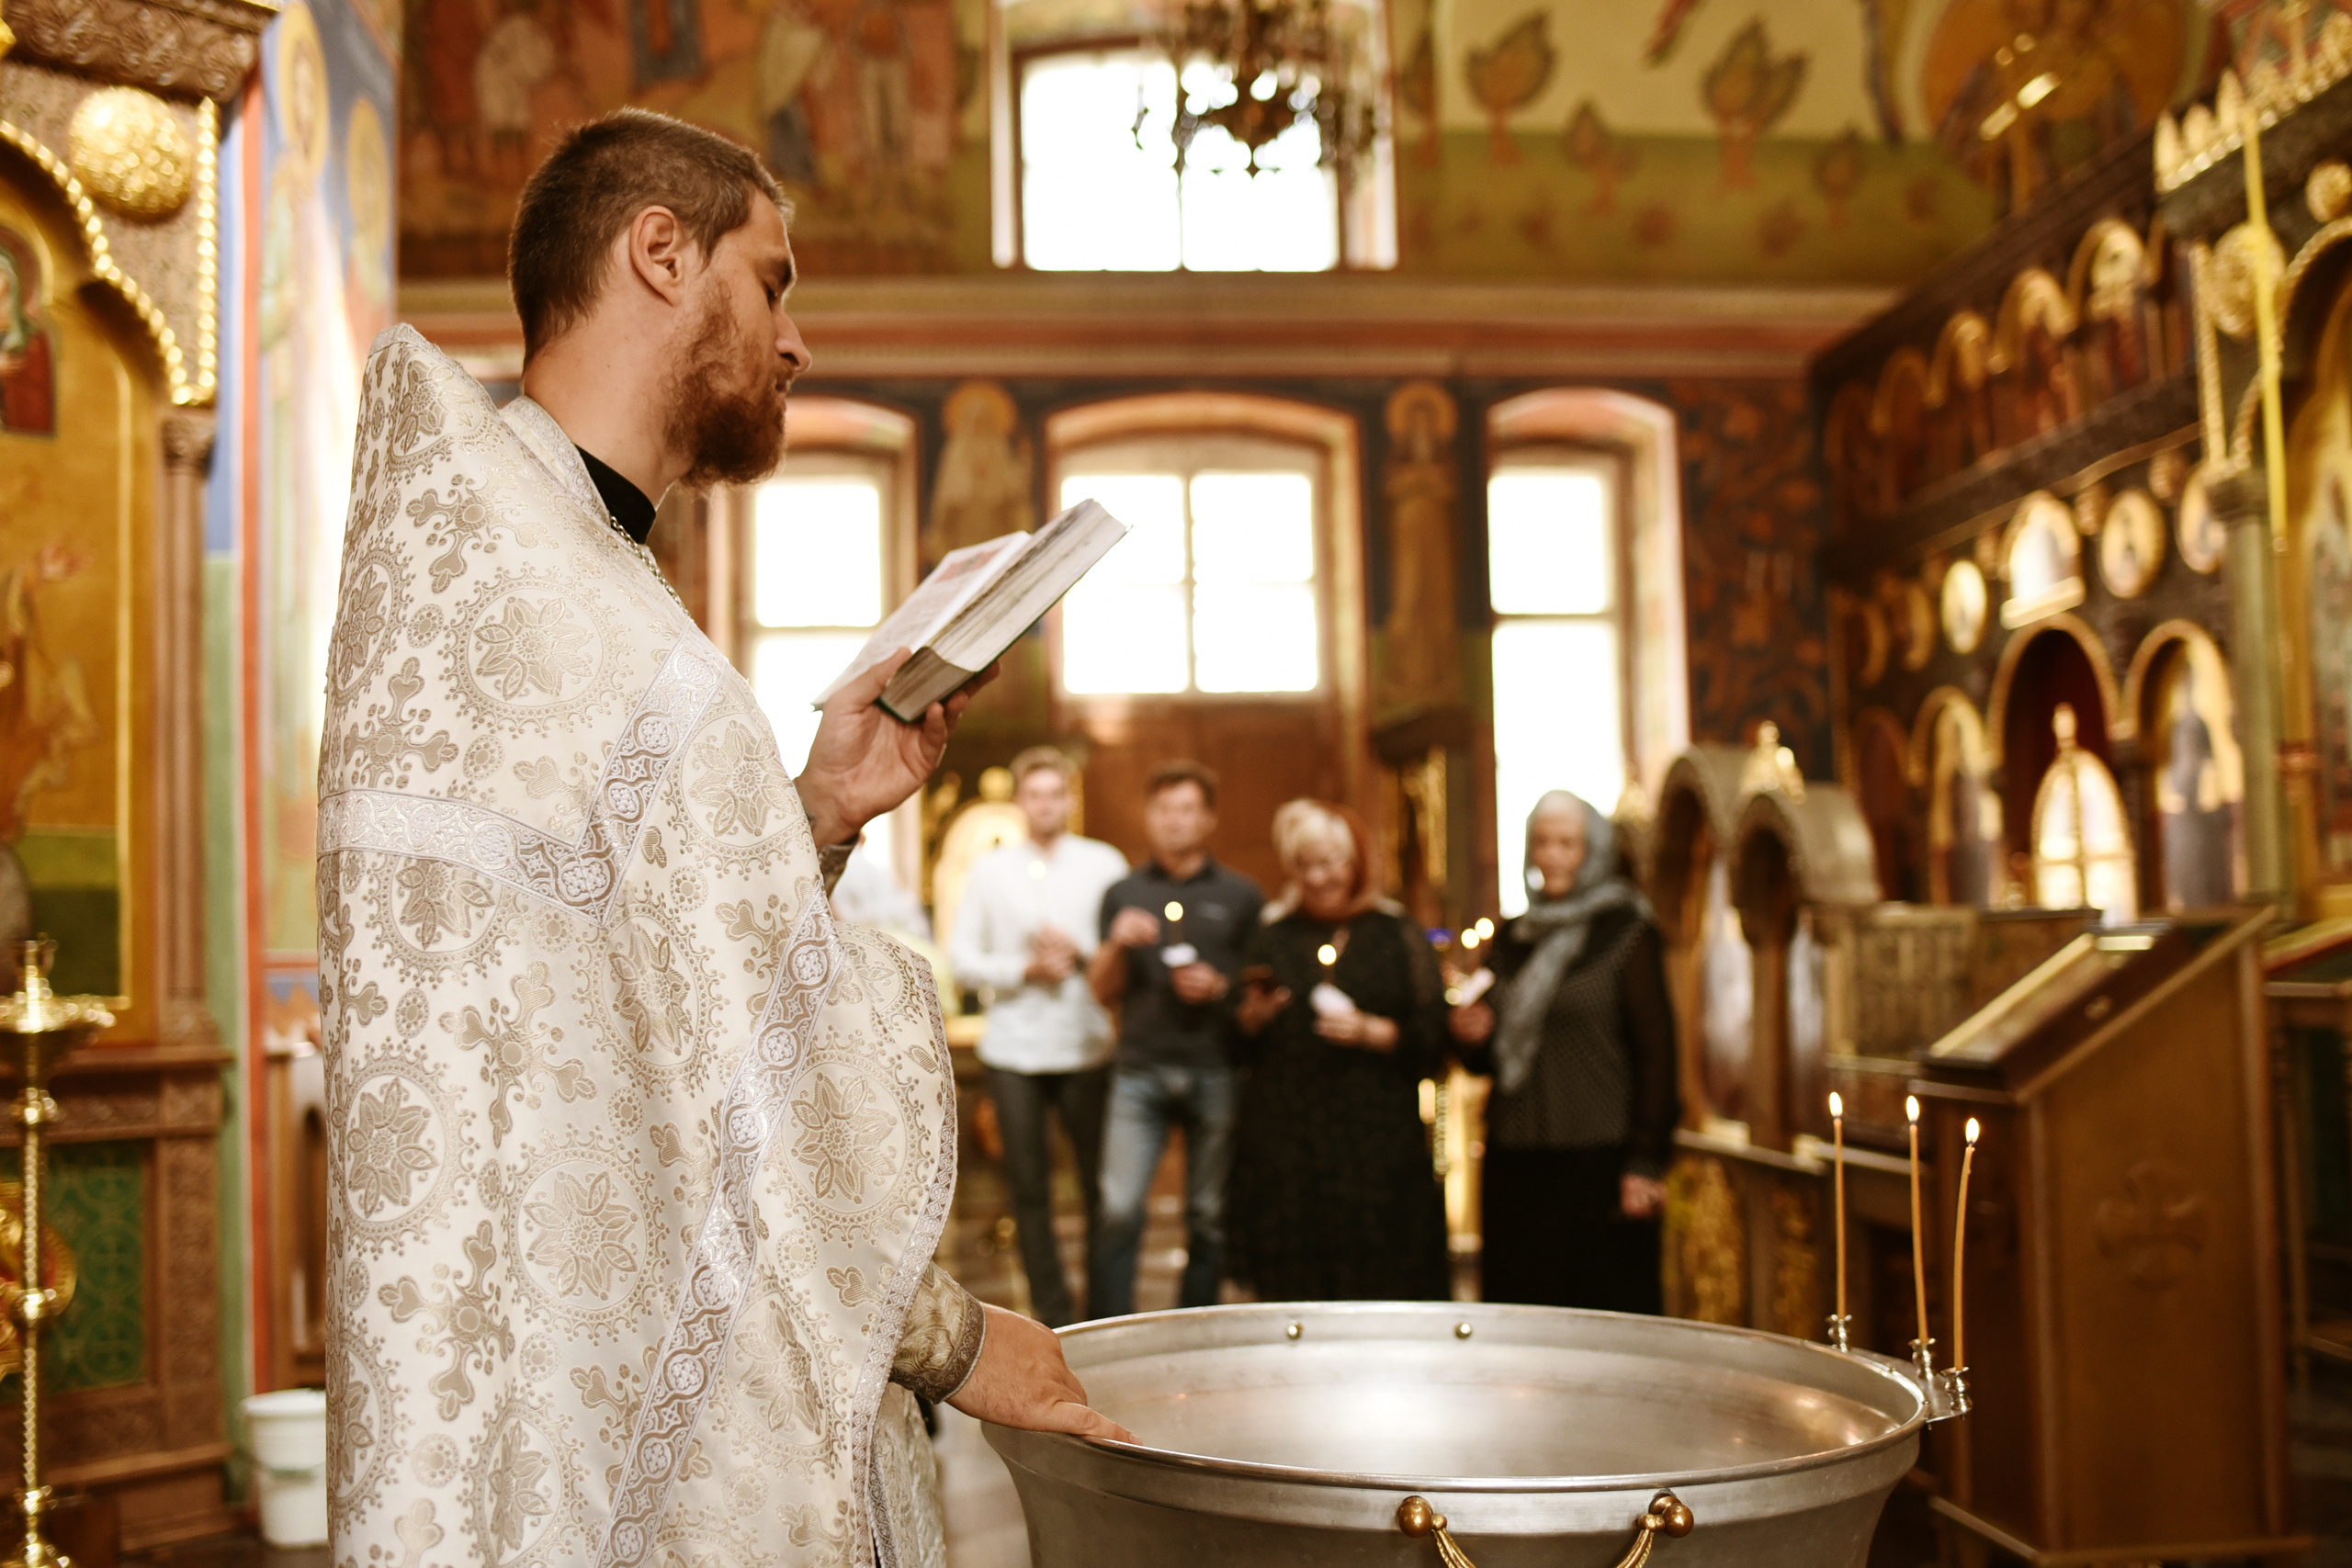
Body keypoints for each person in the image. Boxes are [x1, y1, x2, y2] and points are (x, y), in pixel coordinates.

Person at [318, 108, 1125, 1568]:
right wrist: (950, 1336)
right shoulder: (565, 602)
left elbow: (632, 998)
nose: (794, 339)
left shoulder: (533, 561)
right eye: (772, 280)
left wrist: (814, 809)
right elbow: (716, 1075)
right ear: (660, 251)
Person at [1449, 791, 1680, 1313]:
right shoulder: (1514, 937)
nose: (1551, 856)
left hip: (1600, 1163)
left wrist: (1646, 1162)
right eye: (1542, 842)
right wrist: (1472, 1036)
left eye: (1567, 844)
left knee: (1602, 1317)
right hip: (1516, 1162)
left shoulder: (1628, 932)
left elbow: (1658, 1055)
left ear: (1592, 851)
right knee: (1521, 1316)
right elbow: (1492, 1058)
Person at [1227, 799, 1450, 1302]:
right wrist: (1252, 1016)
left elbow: (1432, 1033)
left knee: (1380, 1280)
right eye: (1305, 865)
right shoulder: (1272, 935)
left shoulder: (1393, 932)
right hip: (1288, 1143)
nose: (1318, 878)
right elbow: (1234, 1038)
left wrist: (1373, 1032)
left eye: (1330, 863)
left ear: (1356, 864)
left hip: (1374, 1138)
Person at [948, 747, 1126, 1326]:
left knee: (1101, 1189)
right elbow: (962, 959)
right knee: (1029, 1190)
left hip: (1086, 1043)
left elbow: (1124, 954)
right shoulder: (990, 871)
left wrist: (1081, 952)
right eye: (1035, 795)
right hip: (1014, 1048)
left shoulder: (1104, 864)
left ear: (1069, 800)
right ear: (1019, 801)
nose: (1045, 805)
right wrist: (1024, 968)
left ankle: (1105, 1312)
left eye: (1055, 794)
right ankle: (1053, 1315)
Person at [1086, 761, 1262, 1318]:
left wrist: (1220, 987)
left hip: (1216, 1066)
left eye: (1186, 809)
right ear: (1149, 816)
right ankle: (1112, 1326)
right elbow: (1100, 990)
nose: (1174, 820)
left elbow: (1259, 990)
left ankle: (1194, 1324)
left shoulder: (1241, 895)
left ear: (1208, 819)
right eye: (1164, 809)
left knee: (1208, 1214)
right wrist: (1116, 943)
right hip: (1140, 1068)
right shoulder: (1123, 893)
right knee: (1118, 1209)